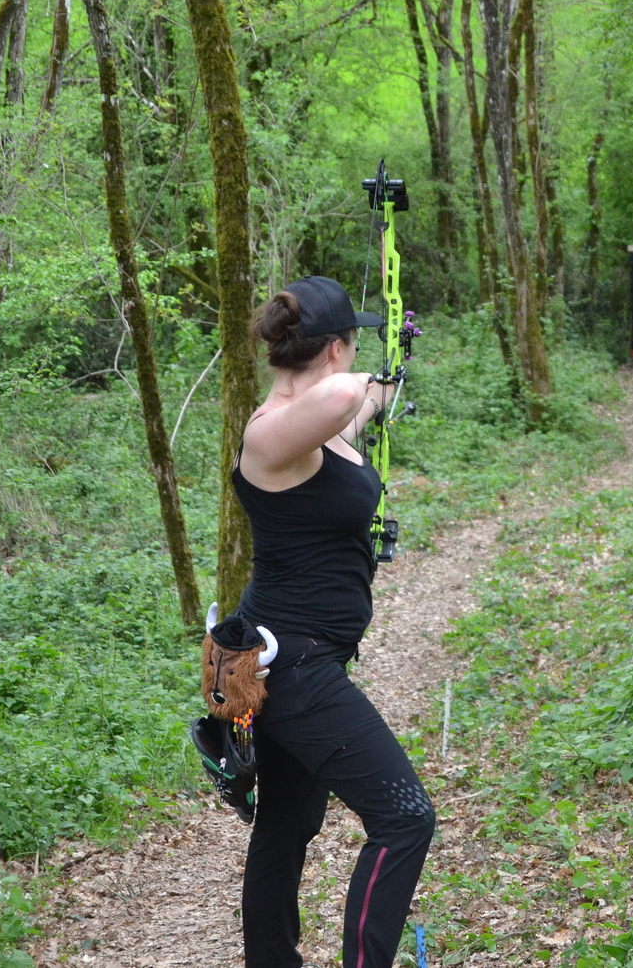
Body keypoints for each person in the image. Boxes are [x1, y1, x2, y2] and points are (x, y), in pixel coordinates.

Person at [233, 274, 435, 968]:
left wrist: (390, 380)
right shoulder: (270, 433)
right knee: (405, 817)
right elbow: (345, 398)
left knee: (285, 825)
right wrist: (362, 381)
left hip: (290, 656)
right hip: (293, 667)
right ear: (335, 349)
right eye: (350, 345)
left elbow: (353, 410)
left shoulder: (314, 432)